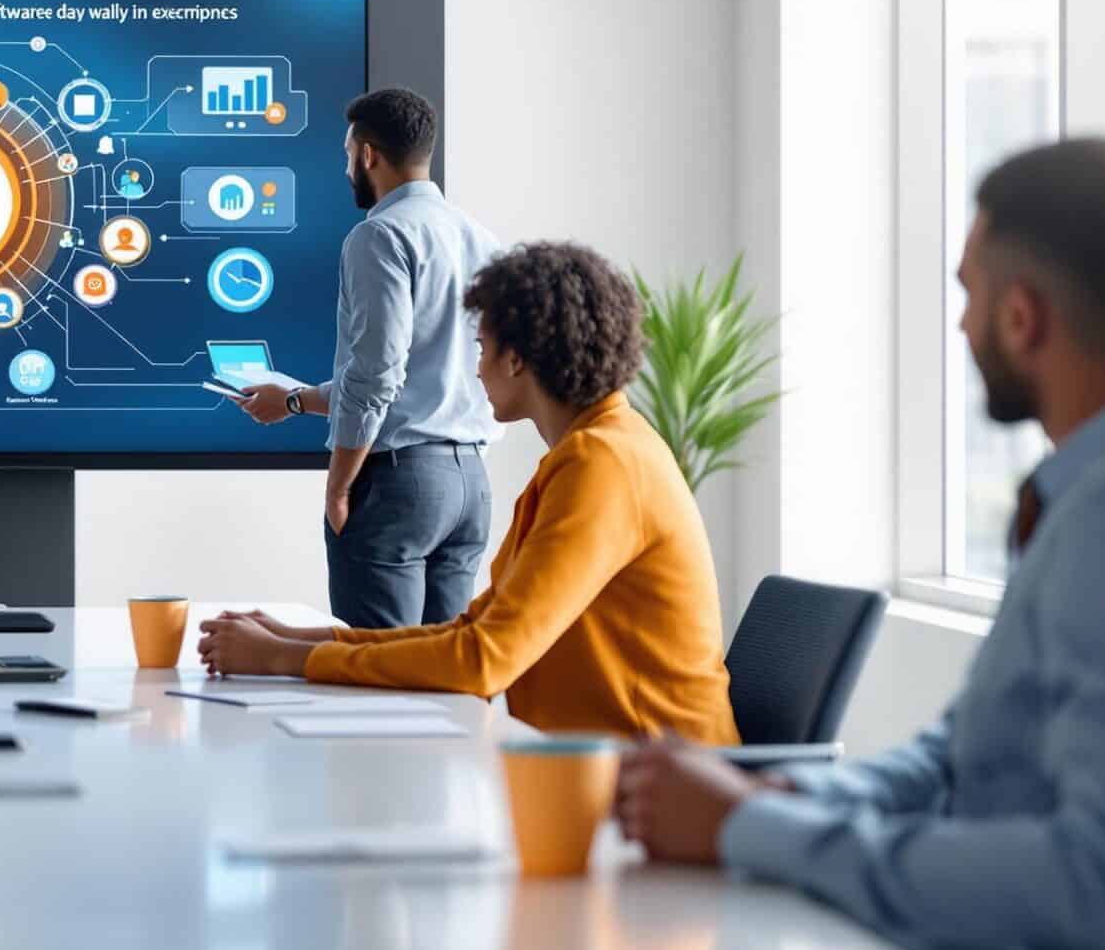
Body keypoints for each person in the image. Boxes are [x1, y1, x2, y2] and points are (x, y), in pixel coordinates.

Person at [617, 139, 1105, 950]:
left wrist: (751, 827)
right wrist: (779, 792)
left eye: (968, 292)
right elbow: (956, 759)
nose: (961, 324)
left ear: (1022, 317)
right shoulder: (1097, 489)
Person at [200, 242, 738, 744]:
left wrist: (284, 660)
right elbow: (474, 631)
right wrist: (299, 642)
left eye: (480, 347)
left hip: (656, 781)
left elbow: (483, 660)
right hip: (598, 763)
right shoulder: (599, 448)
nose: (476, 368)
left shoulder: (603, 464)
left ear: (517, 357)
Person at [236, 87, 502, 627]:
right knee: (444, 676)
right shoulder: (480, 239)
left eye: (346, 154)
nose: (346, 167)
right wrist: (292, 401)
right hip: (470, 483)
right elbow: (412, 376)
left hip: (398, 484)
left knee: (377, 680)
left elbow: (376, 373)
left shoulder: (378, 235)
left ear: (368, 154)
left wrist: (338, 485)